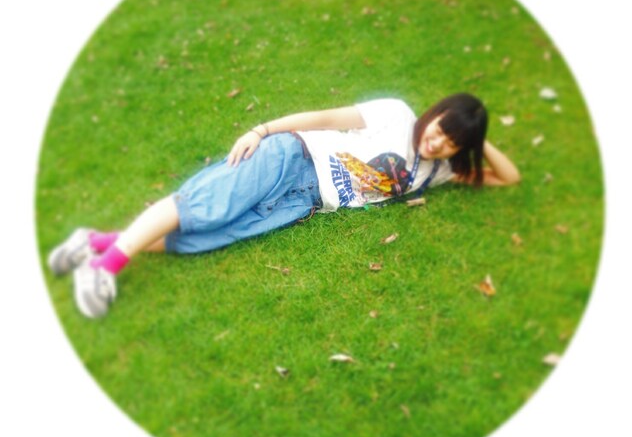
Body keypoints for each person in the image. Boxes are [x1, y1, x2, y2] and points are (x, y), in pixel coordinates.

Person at [47, 93, 520, 318]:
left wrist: (477, 138)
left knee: (200, 238)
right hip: (292, 157)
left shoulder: (439, 171)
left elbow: (508, 177)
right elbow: (326, 117)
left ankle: (93, 243)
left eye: (451, 141)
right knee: (202, 208)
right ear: (433, 113)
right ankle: (104, 268)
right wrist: (262, 130)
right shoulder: (396, 114)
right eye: (440, 128)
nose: (437, 141)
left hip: (302, 203)